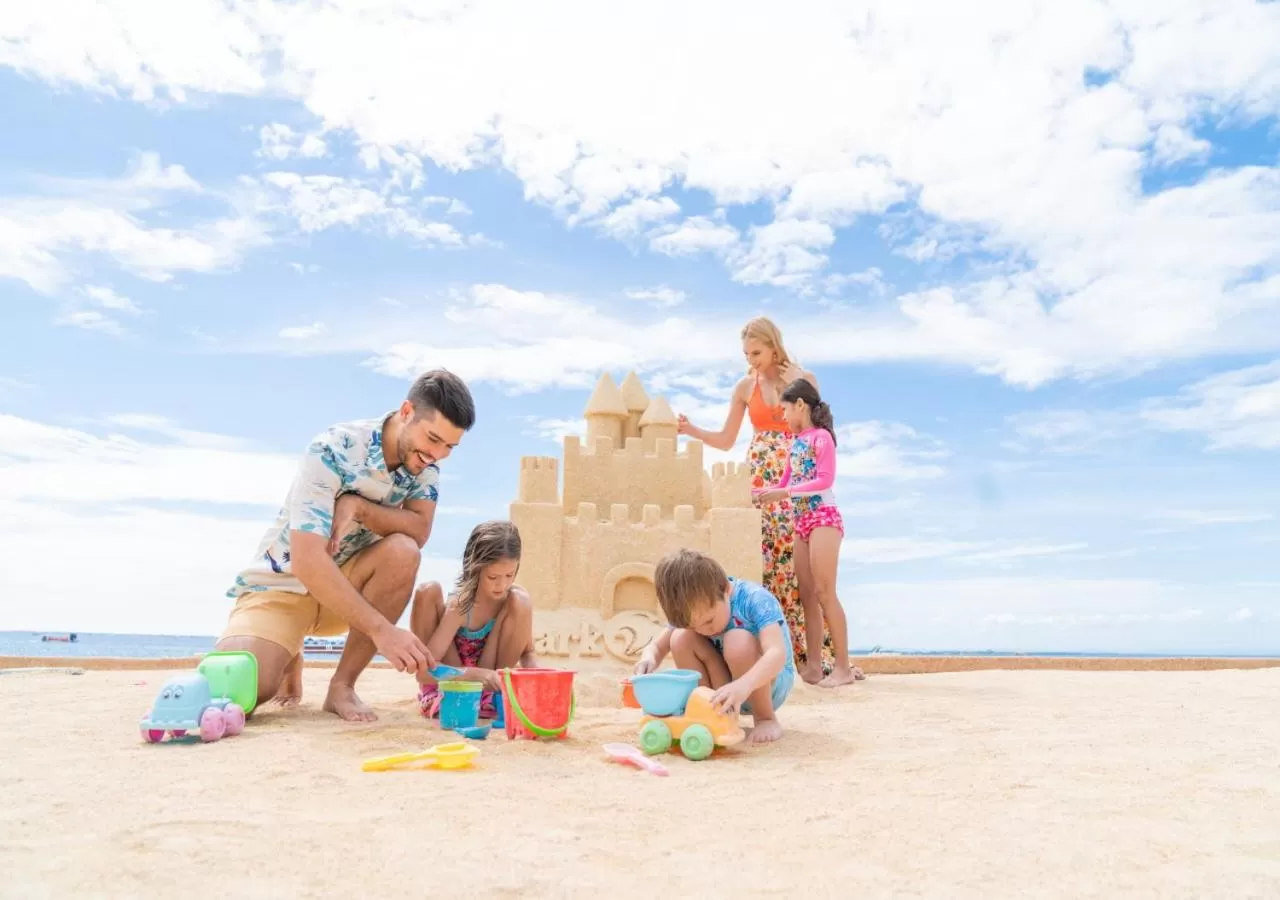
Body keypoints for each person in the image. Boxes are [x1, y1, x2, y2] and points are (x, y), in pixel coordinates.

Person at [215, 369, 476, 722]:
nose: (439, 454)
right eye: (433, 439)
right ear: (406, 412)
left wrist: (361, 507)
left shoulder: (425, 465)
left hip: (347, 591)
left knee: (404, 551)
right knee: (235, 689)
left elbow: (419, 529)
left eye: (450, 447)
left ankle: (342, 687)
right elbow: (308, 562)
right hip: (284, 586)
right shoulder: (332, 448)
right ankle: (288, 650)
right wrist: (383, 630)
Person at [675, 315, 835, 684]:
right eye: (746, 353)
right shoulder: (745, 387)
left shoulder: (803, 379)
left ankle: (812, 655)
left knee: (801, 568)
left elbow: (821, 429)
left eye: (757, 352)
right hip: (761, 477)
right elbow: (727, 439)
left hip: (798, 474)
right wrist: (691, 430)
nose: (751, 360)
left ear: (774, 345)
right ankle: (767, 650)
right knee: (766, 559)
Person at [753, 378, 863, 687]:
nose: (783, 417)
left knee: (826, 592)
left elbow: (824, 481)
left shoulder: (822, 439)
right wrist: (755, 492)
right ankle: (814, 666)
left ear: (801, 405)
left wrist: (784, 494)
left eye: (785, 410)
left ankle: (842, 668)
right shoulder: (795, 443)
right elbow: (781, 483)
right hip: (800, 522)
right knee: (807, 597)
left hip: (823, 518)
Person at [635, 548, 795, 744]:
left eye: (709, 621)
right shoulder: (694, 612)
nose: (704, 631)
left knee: (737, 640)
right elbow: (657, 648)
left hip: (765, 684)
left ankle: (765, 718)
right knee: (680, 637)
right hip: (727, 691)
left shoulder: (754, 599)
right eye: (694, 625)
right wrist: (648, 658)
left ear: (726, 590)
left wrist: (744, 685)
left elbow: (777, 654)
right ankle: (711, 714)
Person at [411, 520, 538, 719]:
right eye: (492, 577)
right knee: (428, 589)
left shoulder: (513, 601)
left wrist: (540, 680)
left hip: (493, 684)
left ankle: (495, 697)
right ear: (475, 569)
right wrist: (477, 675)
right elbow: (425, 672)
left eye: (509, 575)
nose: (501, 585)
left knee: (521, 599)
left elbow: (528, 652)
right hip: (454, 683)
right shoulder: (462, 606)